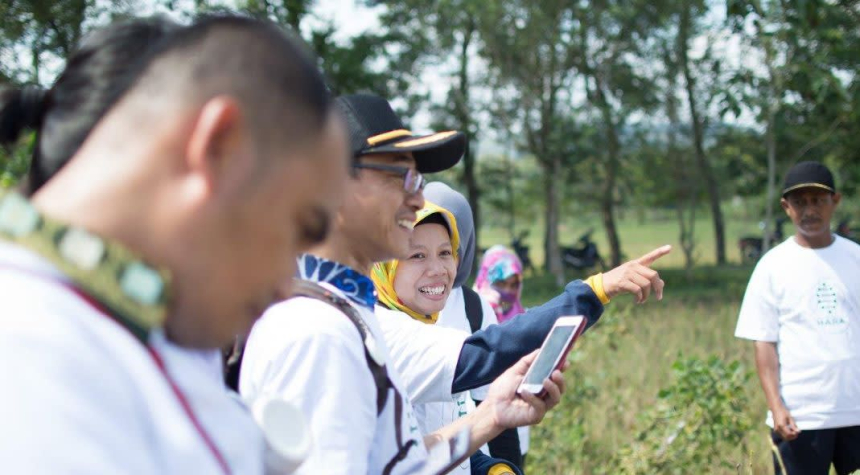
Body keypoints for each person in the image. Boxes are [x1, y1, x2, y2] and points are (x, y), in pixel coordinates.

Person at [0, 14, 348, 473]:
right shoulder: (32, 361)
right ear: (218, 146)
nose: (287, 286)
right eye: (296, 228)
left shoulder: (115, 330)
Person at [240, 93, 567, 475]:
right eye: (401, 176)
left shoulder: (350, 312)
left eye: (420, 179)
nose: (417, 199)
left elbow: (391, 465)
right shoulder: (317, 333)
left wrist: (491, 416)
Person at [371, 200, 519, 475]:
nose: (437, 268)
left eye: (446, 252)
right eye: (417, 255)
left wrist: (491, 468)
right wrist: (592, 293)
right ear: (385, 263)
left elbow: (450, 431)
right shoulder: (380, 335)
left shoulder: (457, 313)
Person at [735, 161, 860, 475]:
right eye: (800, 202)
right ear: (786, 207)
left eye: (818, 201)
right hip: (800, 417)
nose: (810, 211)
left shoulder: (856, 258)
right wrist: (777, 407)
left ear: (835, 201)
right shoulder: (772, 266)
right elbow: (764, 344)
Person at [475, 246, 525, 324]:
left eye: (513, 285)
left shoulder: (522, 317)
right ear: (485, 281)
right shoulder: (470, 313)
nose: (507, 291)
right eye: (501, 284)